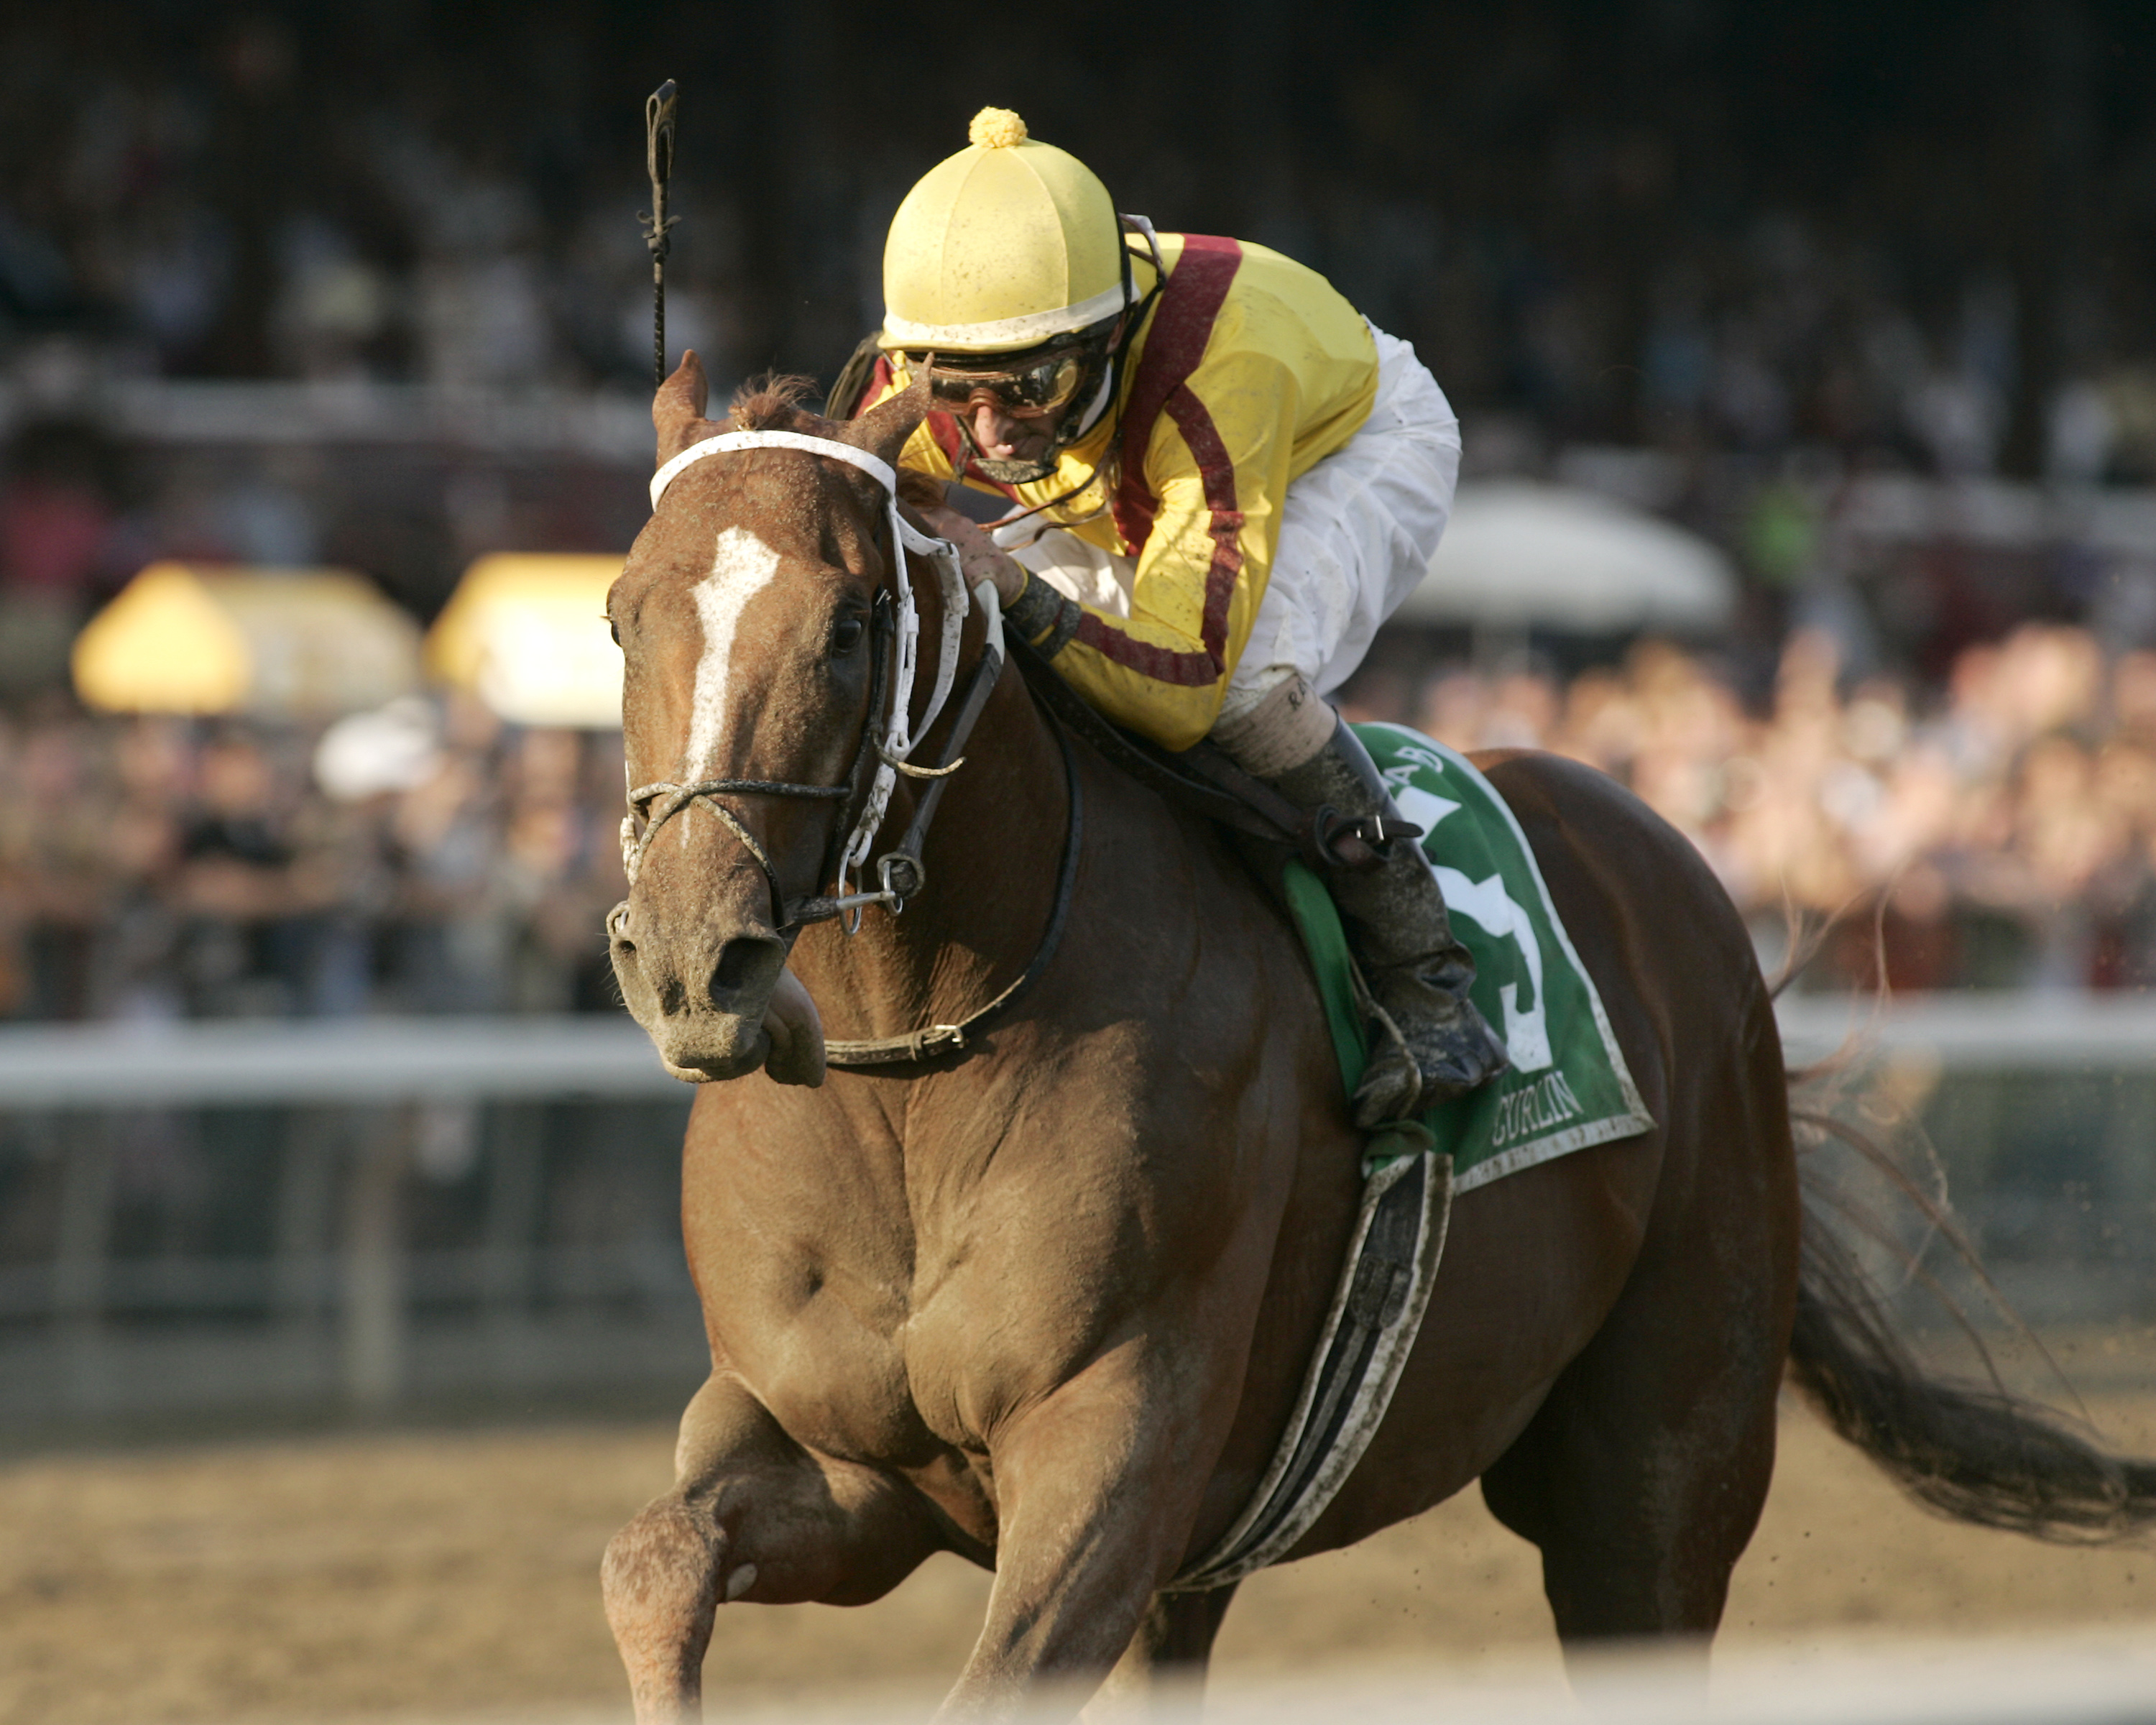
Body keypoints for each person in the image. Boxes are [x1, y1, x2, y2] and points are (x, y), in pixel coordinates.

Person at [842, 108, 1506, 1127]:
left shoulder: (1218, 374)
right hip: (1129, 469)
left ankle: (1424, 973)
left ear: (1103, 337)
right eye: (953, 392)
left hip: (1342, 443)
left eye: (1029, 388)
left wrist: (1018, 586)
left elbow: (1184, 686)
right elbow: (855, 506)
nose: (986, 432)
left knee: (1242, 687)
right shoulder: (957, 350)